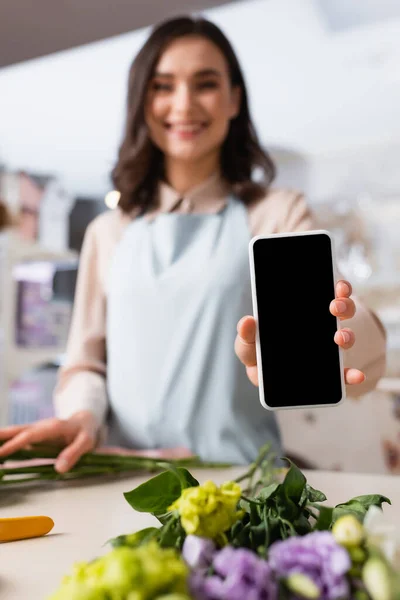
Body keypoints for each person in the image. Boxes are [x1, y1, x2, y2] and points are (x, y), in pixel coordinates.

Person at [0, 16, 386, 471]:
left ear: (233, 99)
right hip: (122, 481)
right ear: (142, 102)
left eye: (205, 84)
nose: (183, 105)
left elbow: (349, 348)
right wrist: (82, 415)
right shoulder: (108, 231)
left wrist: (347, 331)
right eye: (162, 86)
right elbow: (85, 363)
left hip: (243, 485)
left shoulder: (276, 213)